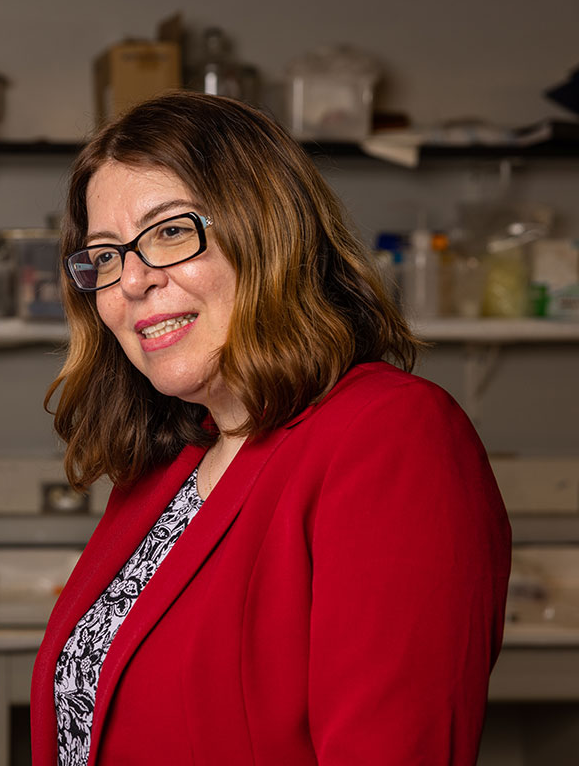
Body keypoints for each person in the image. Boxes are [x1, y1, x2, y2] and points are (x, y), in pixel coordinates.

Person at [31, 91, 511, 766]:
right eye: (105, 256)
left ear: (268, 232)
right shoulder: (170, 463)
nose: (132, 281)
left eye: (170, 231)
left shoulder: (392, 435)